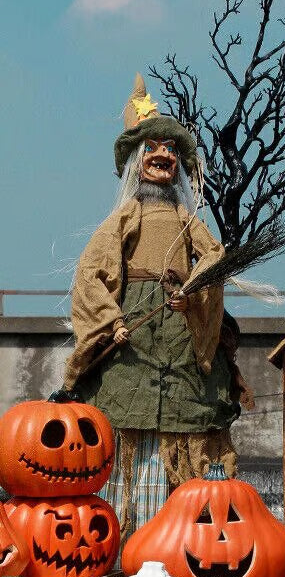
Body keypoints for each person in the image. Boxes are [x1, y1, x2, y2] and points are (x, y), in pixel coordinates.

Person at [61, 74, 240, 539]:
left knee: (186, 429)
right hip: (133, 340)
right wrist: (110, 319)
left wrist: (195, 289)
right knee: (128, 434)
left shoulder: (188, 220)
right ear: (137, 162)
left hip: (182, 330)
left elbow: (216, 258)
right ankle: (126, 542)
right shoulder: (125, 219)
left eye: (170, 150)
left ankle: (178, 539)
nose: (163, 156)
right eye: (152, 148)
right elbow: (90, 274)